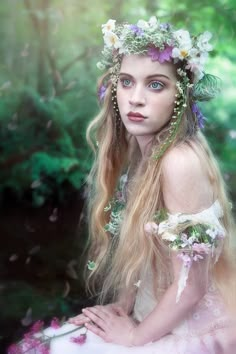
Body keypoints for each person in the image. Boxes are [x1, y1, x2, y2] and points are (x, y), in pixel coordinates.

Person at [10, 17, 236, 354]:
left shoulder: (180, 162)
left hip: (186, 328)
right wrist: (124, 306)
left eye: (156, 85)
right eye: (127, 82)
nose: (136, 98)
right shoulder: (142, 154)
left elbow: (193, 287)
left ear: (181, 96)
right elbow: (147, 254)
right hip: (152, 315)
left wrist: (133, 337)